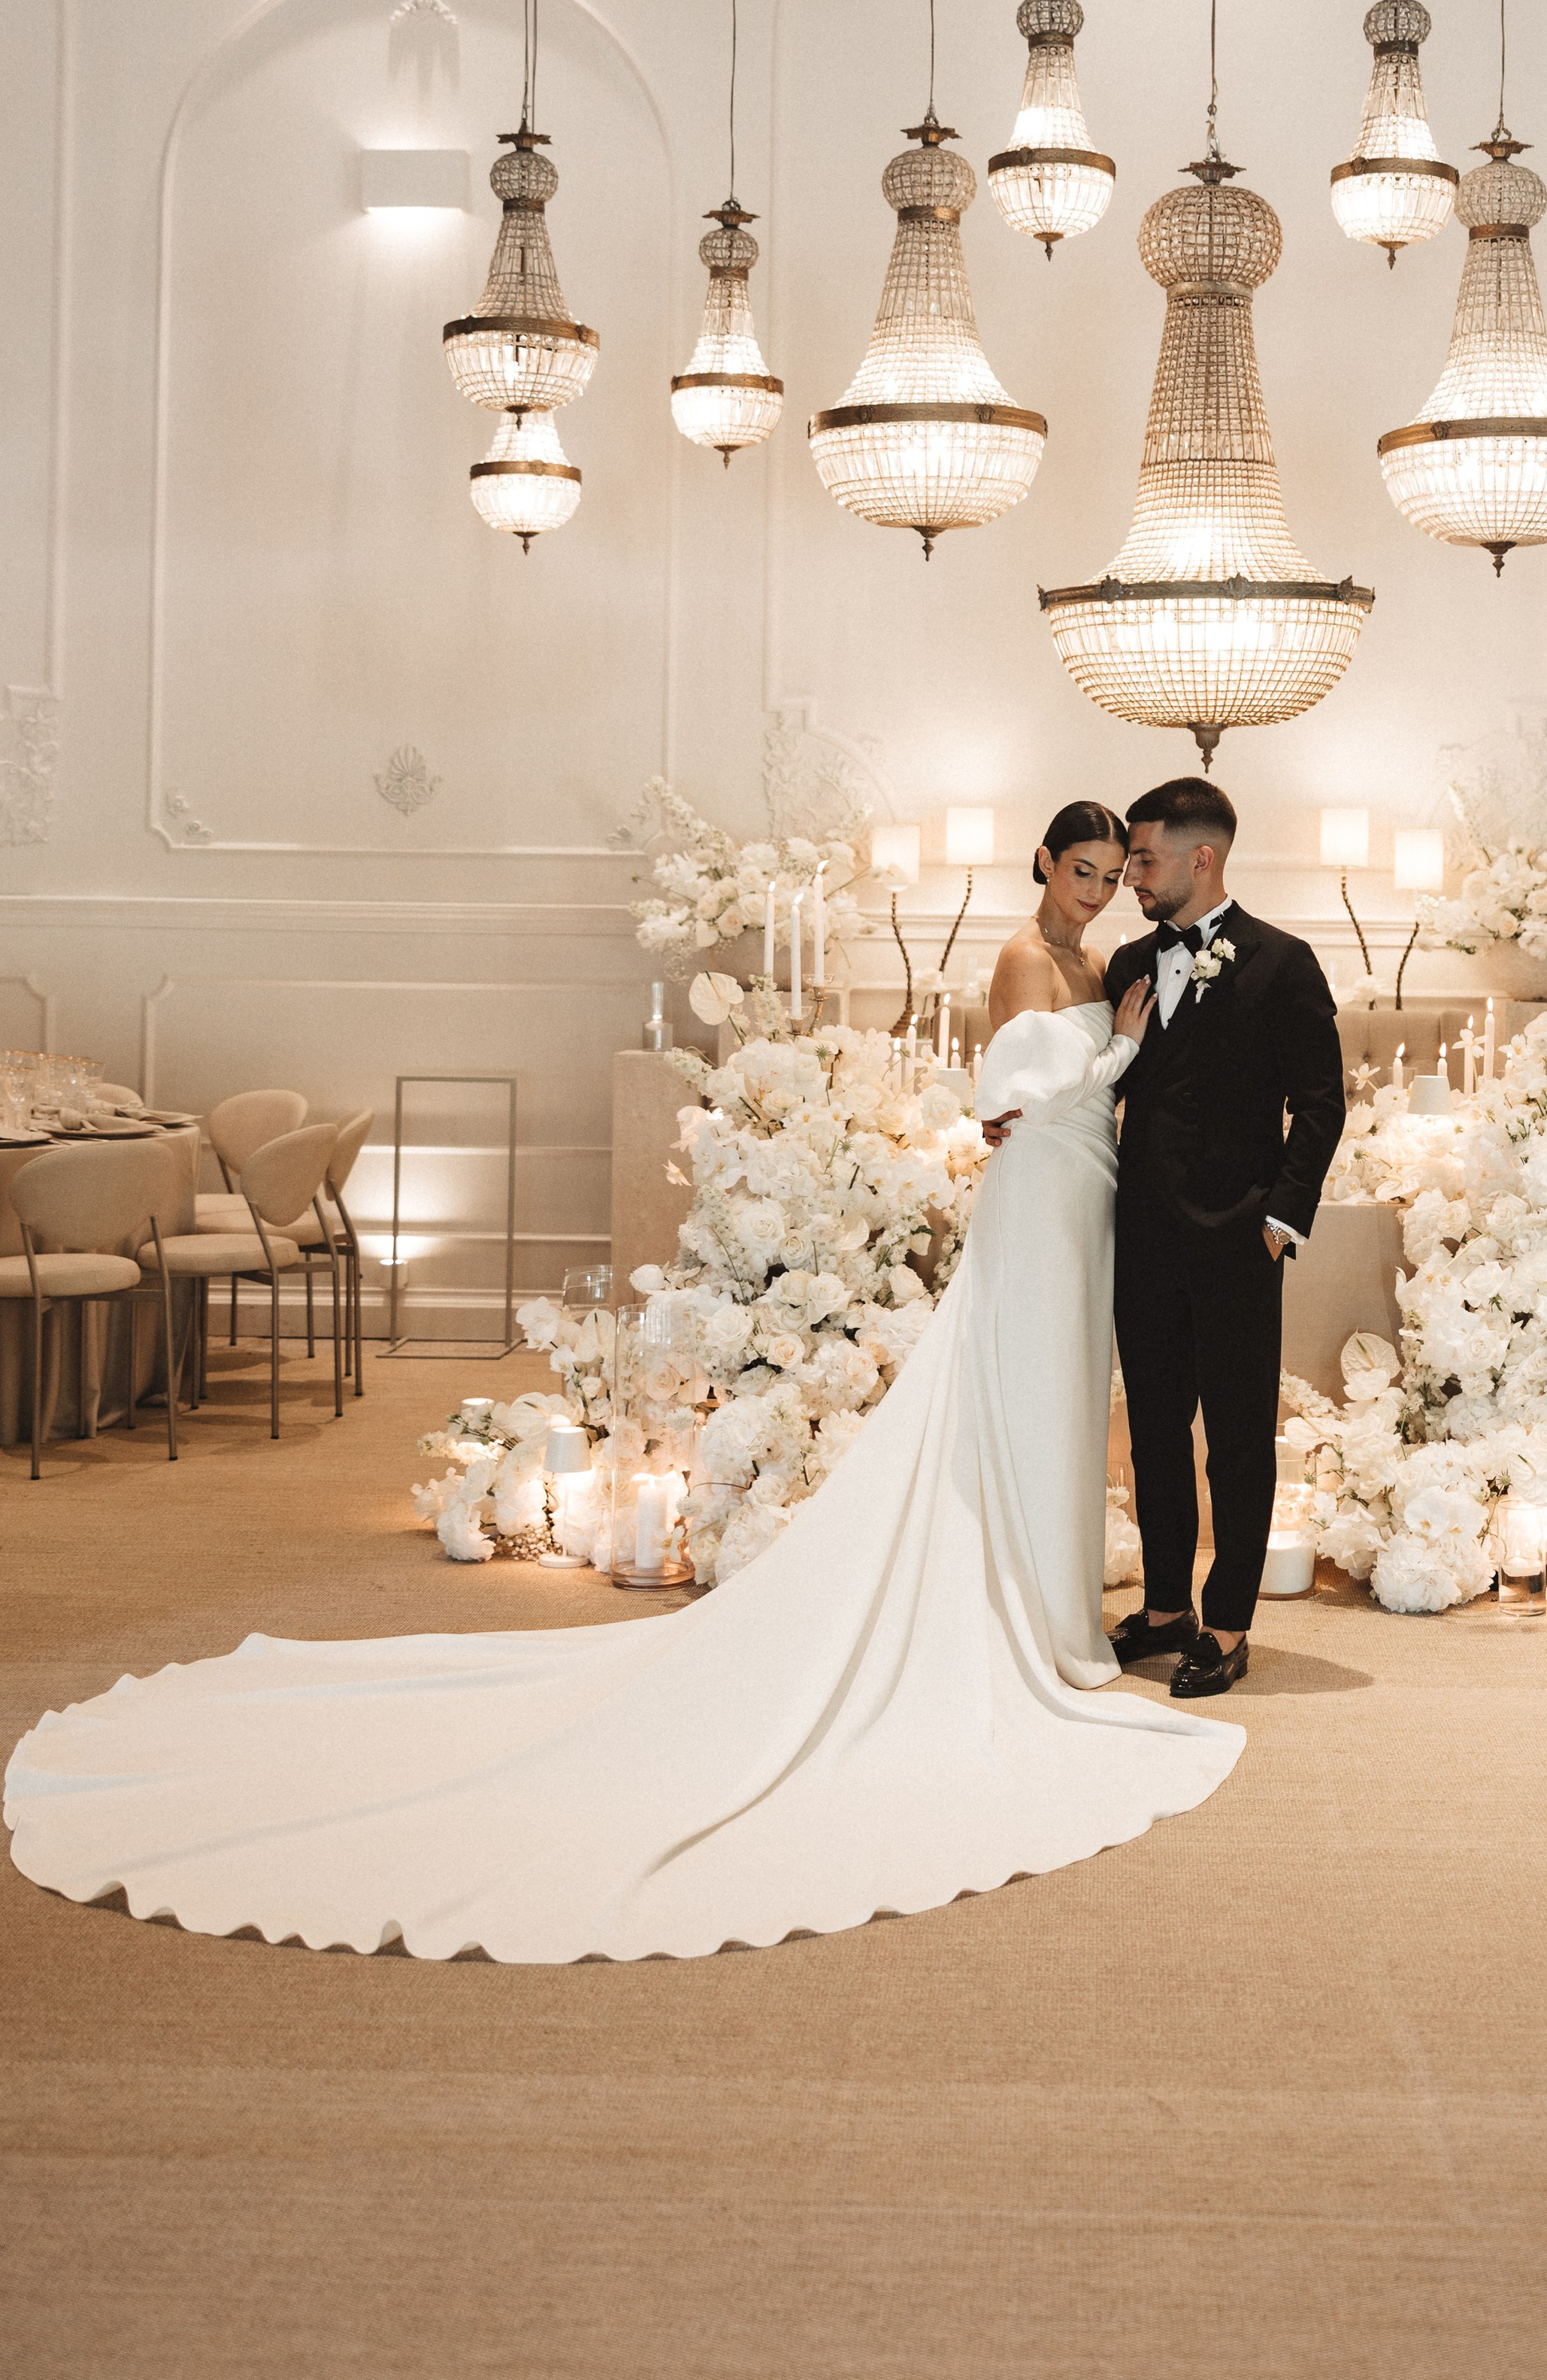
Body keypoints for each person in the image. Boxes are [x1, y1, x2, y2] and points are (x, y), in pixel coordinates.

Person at [3, 802, 1240, 1966]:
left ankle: (1046, 1602)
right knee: (1021, 1385)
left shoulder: (1099, 959)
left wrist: (1127, 1043)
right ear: (1042, 868)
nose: (1095, 890)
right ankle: (1019, 1619)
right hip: (1039, 1203)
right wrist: (1119, 1050)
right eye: (1080, 871)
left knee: (1064, 1396)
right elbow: (1002, 1099)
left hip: (1088, 1199)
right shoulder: (1031, 960)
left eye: (1110, 873)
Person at [1099, 776, 1346, 1700]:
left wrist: (1281, 1219)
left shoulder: (1283, 963)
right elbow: (1100, 1085)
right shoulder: (1126, 961)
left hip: (1240, 1242)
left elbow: (1320, 1105)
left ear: (1201, 859)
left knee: (1238, 1439)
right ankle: (1166, 1610)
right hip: (1141, 1239)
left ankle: (1229, 1623)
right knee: (1155, 1432)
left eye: (1146, 859)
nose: (1132, 877)